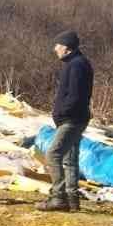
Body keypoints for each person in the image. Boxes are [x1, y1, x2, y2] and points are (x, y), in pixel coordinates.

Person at [38, 31, 94, 212]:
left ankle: (58, 197)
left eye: (58, 45)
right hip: (76, 118)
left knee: (52, 154)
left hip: (72, 119)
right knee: (70, 159)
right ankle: (72, 199)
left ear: (67, 47)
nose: (55, 49)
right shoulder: (77, 63)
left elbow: (75, 96)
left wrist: (61, 113)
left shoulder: (76, 66)